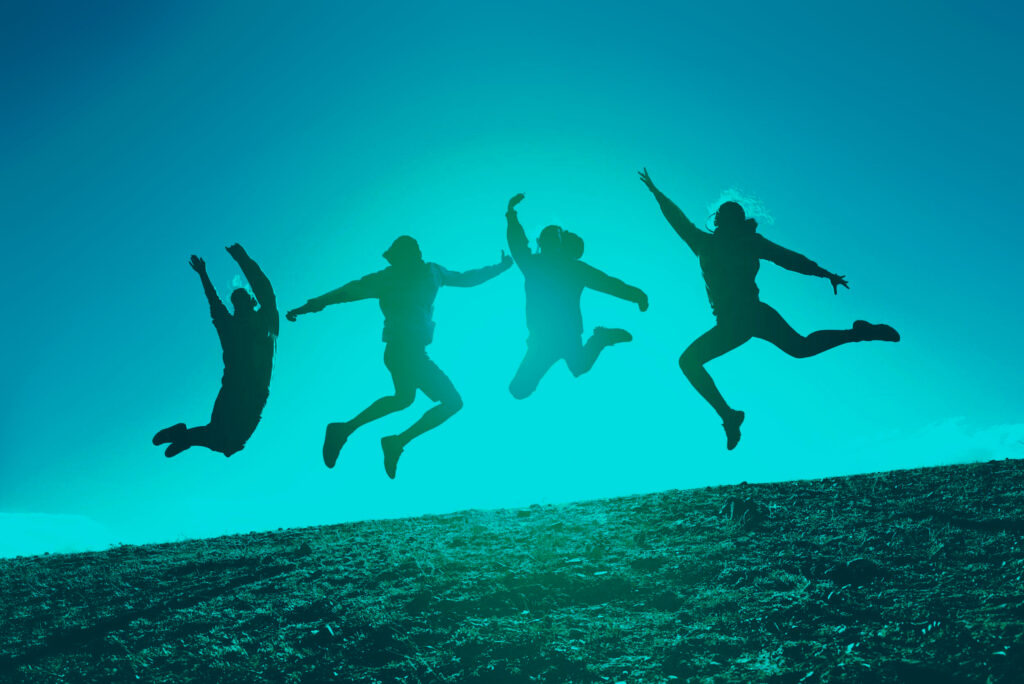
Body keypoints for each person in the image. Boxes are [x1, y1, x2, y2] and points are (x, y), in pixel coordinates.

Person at [638, 168, 899, 450]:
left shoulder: (744, 242)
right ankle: (730, 416)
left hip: (749, 315)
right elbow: (677, 219)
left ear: (730, 222)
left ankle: (858, 333)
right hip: (737, 321)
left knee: (796, 348)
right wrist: (657, 193)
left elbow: (789, 259)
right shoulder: (705, 242)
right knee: (797, 348)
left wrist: (824, 273)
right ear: (720, 221)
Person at [286, 236, 511, 478]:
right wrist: (310, 306)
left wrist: (500, 267)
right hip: (402, 349)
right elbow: (346, 292)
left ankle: (349, 431)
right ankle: (387, 440)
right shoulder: (388, 278)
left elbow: (466, 278)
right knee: (450, 402)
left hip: (410, 351)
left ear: (415, 253)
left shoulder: (433, 272)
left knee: (404, 399)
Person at [505, 193, 648, 399]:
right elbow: (517, 242)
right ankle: (602, 338)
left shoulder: (562, 267)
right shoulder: (537, 264)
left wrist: (636, 295)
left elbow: (607, 283)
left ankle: (602, 338)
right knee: (521, 389)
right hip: (544, 338)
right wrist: (511, 214)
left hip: (561, 336)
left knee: (577, 367)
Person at [153, 244, 279, 457]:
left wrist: (239, 259)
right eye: (237, 303)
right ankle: (184, 436)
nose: (240, 307)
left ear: (251, 302)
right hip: (244, 390)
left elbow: (261, 286)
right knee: (228, 442)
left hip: (243, 390)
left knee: (223, 439)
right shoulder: (246, 325)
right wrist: (204, 274)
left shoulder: (263, 321)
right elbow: (217, 303)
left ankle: (184, 436)